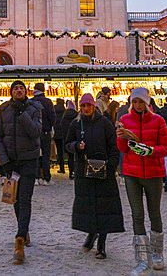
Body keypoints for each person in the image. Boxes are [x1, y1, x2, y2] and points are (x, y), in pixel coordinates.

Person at [117, 87, 167, 272]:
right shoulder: (125, 120)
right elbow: (123, 150)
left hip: (154, 173)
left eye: (141, 102)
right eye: (135, 102)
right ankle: (142, 260)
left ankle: (157, 255)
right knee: (137, 215)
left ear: (147, 103)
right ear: (131, 103)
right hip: (132, 173)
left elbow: (166, 147)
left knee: (154, 213)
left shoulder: (158, 121)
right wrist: (122, 139)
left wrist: (150, 151)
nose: (138, 105)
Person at [65, 92, 124, 260]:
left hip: (104, 170)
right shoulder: (76, 124)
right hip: (84, 171)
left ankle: (101, 245)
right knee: (88, 205)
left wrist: (112, 165)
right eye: (83, 106)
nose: (86, 108)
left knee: (104, 207)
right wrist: (76, 146)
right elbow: (68, 145)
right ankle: (91, 234)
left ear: (94, 106)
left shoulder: (104, 123)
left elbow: (113, 146)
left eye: (88, 105)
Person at [0, 79, 42, 265]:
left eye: (21, 88)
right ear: (11, 92)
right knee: (14, 200)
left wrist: (23, 114)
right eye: (15, 88)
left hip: (28, 160)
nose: (18, 91)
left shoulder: (33, 109)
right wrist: (4, 161)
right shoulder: (4, 110)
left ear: (25, 91)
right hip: (11, 163)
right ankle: (25, 229)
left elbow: (36, 132)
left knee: (25, 199)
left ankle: (20, 239)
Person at [32, 82, 55, 185]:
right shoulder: (47, 102)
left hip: (34, 132)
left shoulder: (31, 101)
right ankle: (46, 177)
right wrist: (50, 126)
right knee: (46, 155)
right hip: (45, 131)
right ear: (44, 90)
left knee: (35, 154)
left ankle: (36, 177)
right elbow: (52, 117)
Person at [61, 100, 79, 179]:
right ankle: (76, 171)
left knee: (70, 156)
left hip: (67, 138)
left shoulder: (64, 116)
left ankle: (71, 172)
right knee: (77, 155)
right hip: (76, 138)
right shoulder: (77, 115)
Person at [53, 97, 67, 174]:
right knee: (65, 150)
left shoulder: (54, 111)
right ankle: (69, 166)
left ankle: (61, 167)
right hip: (63, 134)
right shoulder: (65, 111)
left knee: (59, 151)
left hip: (56, 134)